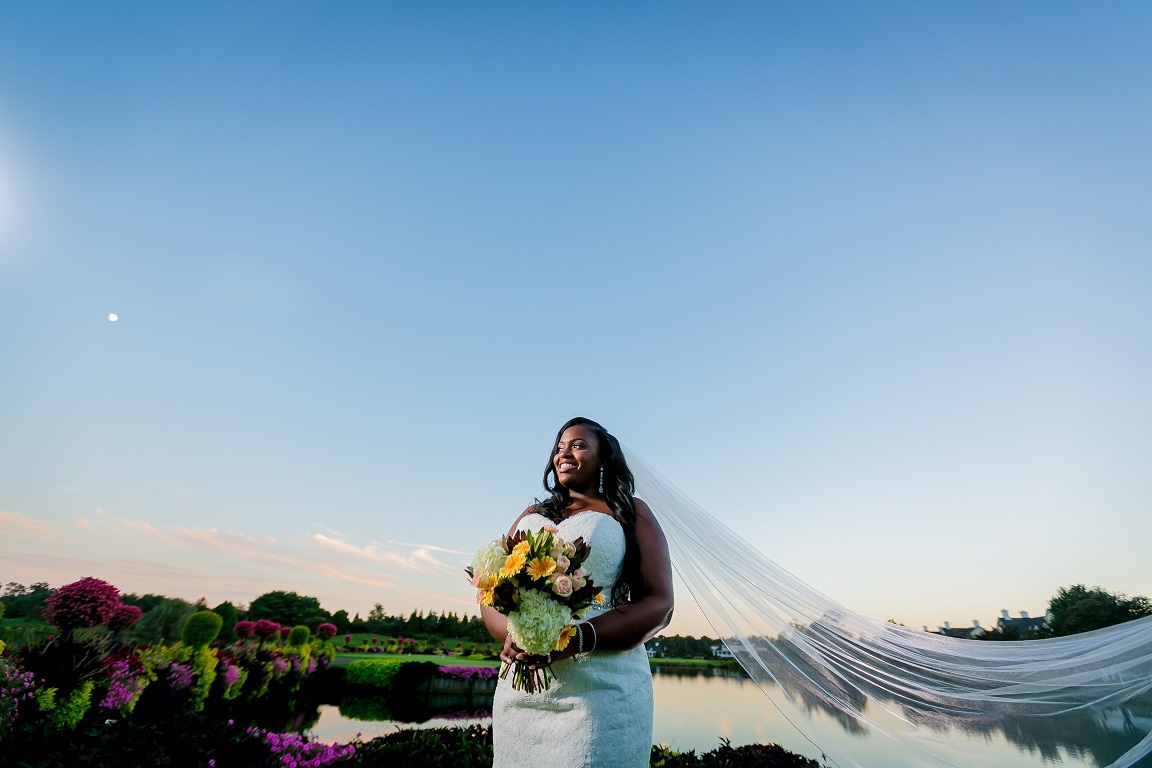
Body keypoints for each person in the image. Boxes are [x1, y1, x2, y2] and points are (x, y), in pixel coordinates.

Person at [482, 417, 675, 768]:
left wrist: (578, 639)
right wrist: (512, 634)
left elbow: (661, 603)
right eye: (559, 447)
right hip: (522, 691)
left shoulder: (631, 512)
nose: (564, 453)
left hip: (599, 692)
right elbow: (491, 588)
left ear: (604, 459)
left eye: (578, 445)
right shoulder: (532, 514)